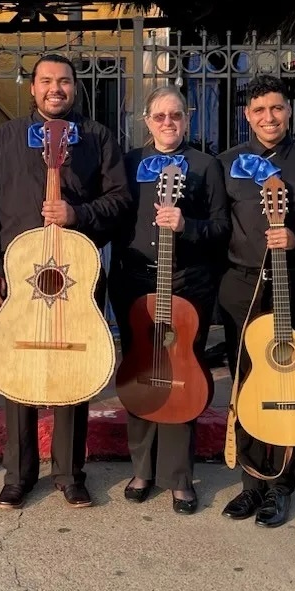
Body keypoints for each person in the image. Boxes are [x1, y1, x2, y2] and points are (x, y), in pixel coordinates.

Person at [0, 53, 130, 509]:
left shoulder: (98, 137)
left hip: (76, 277)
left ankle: (69, 473)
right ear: (33, 89)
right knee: (16, 368)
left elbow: (121, 201)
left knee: (72, 369)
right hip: (19, 277)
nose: (54, 88)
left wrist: (79, 213)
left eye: (63, 81)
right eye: (46, 81)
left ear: (75, 88)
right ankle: (18, 475)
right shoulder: (4, 138)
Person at [216, 74, 295, 529]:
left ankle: (281, 486)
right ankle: (251, 484)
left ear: (288, 112)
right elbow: (215, 227)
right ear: (247, 115)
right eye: (260, 110)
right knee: (247, 382)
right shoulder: (226, 163)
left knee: (292, 382)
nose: (269, 117)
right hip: (242, 287)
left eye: (277, 108)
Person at [110, 85, 229, 514]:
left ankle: (179, 476)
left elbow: (221, 228)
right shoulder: (129, 163)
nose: (167, 123)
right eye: (159, 116)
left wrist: (187, 226)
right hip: (133, 285)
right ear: (146, 121)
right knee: (142, 370)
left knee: (182, 375)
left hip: (187, 286)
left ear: (188, 119)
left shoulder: (206, 165)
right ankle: (142, 468)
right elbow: (111, 215)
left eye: (175, 115)